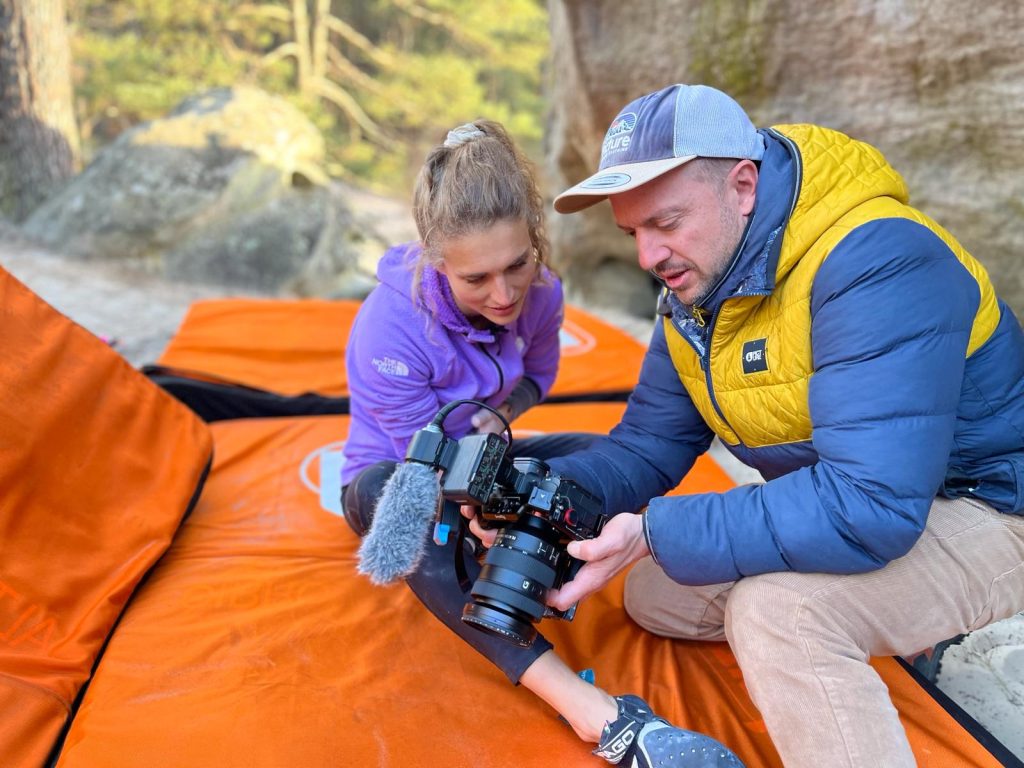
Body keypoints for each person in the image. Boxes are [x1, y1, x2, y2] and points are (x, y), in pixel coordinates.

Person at [489, 83, 1024, 767]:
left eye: (667, 222)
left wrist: (655, 529)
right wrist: (540, 490)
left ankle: (860, 628)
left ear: (743, 184)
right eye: (634, 233)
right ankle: (884, 623)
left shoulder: (878, 262)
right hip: (860, 495)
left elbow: (874, 506)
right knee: (657, 592)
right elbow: (650, 447)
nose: (649, 257)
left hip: (989, 504)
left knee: (781, 612)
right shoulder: (699, 287)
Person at [342, 119, 741, 768]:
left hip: (487, 446)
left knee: (594, 456)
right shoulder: (389, 325)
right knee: (428, 520)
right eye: (475, 280)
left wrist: (499, 432)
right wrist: (482, 504)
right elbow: (423, 468)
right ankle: (602, 718)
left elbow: (536, 378)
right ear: (435, 260)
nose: (503, 296)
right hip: (398, 472)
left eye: (516, 265)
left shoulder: (543, 294)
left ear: (536, 238)